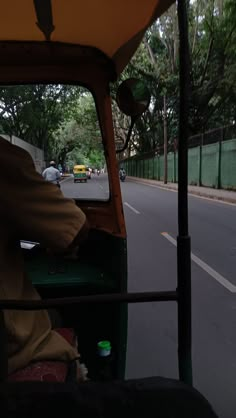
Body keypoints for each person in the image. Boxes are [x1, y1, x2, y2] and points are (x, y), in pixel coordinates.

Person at [0, 136, 89, 378]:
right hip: (10, 348)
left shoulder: (47, 171)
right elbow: (77, 228)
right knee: (54, 316)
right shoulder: (6, 160)